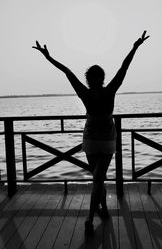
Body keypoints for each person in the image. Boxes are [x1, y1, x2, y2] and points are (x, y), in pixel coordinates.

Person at [32, 31, 149, 236]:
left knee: (97, 178)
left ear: (88, 79)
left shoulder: (84, 93)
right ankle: (101, 208)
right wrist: (135, 47)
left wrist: (48, 57)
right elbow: (124, 67)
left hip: (91, 140)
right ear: (102, 78)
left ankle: (89, 218)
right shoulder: (109, 90)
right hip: (105, 140)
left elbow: (66, 71)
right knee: (98, 179)